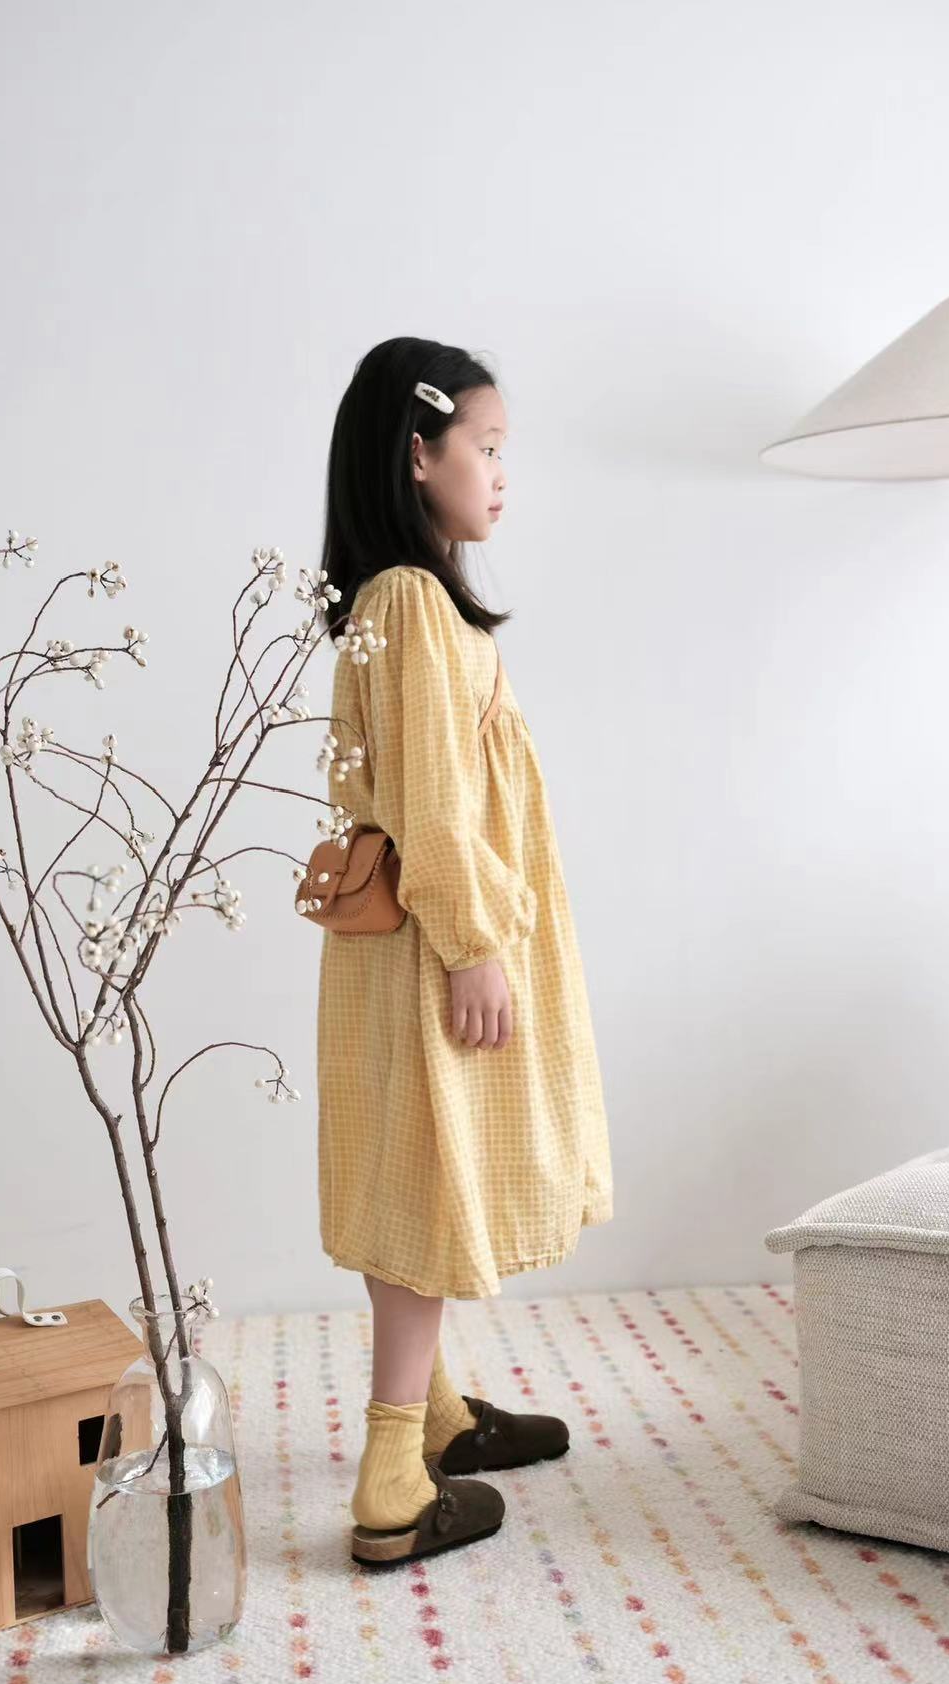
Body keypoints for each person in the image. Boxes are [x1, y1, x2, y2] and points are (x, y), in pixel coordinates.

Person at [315, 336, 614, 1567]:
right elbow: (433, 806)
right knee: (425, 1190)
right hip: (431, 946)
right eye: (484, 447)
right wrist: (477, 945)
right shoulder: (409, 603)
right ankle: (393, 1475)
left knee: (413, 1176)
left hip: (409, 941)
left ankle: (434, 1412)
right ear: (416, 453)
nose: (500, 473)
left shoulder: (404, 604)